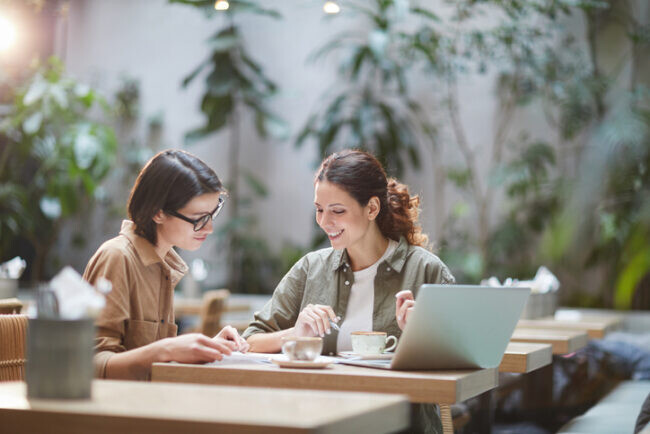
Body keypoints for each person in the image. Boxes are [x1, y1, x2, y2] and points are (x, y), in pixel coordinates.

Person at [242, 149, 455, 433]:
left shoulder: (426, 271)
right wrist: (296, 334)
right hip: (317, 422)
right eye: (319, 209)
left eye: (337, 211)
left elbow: (457, 369)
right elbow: (249, 342)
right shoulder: (310, 268)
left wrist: (422, 338)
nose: (324, 222)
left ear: (372, 208)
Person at [84, 149, 248, 381]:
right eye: (199, 218)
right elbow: (91, 364)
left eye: (213, 214)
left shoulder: (163, 264)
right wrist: (168, 349)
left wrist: (206, 346)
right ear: (158, 213)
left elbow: (150, 359)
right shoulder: (117, 258)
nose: (209, 228)